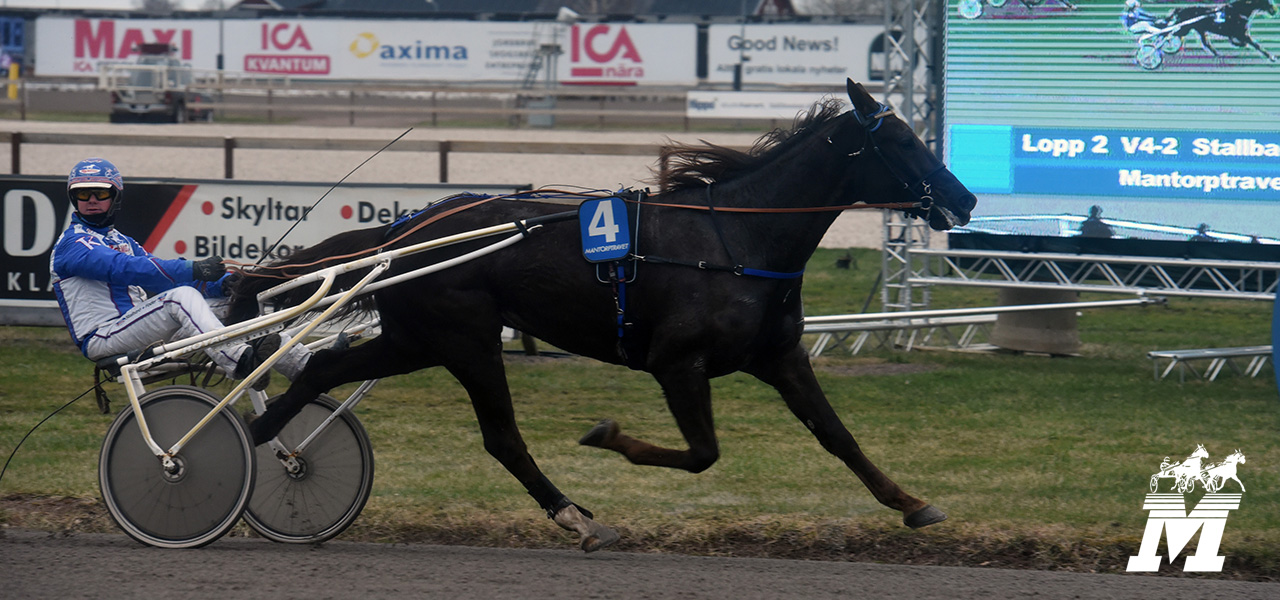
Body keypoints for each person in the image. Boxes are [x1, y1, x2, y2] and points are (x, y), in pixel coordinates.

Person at [50, 158, 310, 387]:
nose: (92, 200)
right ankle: (239, 361)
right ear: (74, 198)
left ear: (114, 196)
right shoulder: (72, 245)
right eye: (83, 194)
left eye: (100, 193)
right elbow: (128, 269)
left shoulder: (123, 241)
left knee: (238, 305)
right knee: (179, 298)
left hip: (138, 328)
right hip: (104, 338)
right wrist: (193, 267)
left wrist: (221, 284)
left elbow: (161, 275)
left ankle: (308, 367)